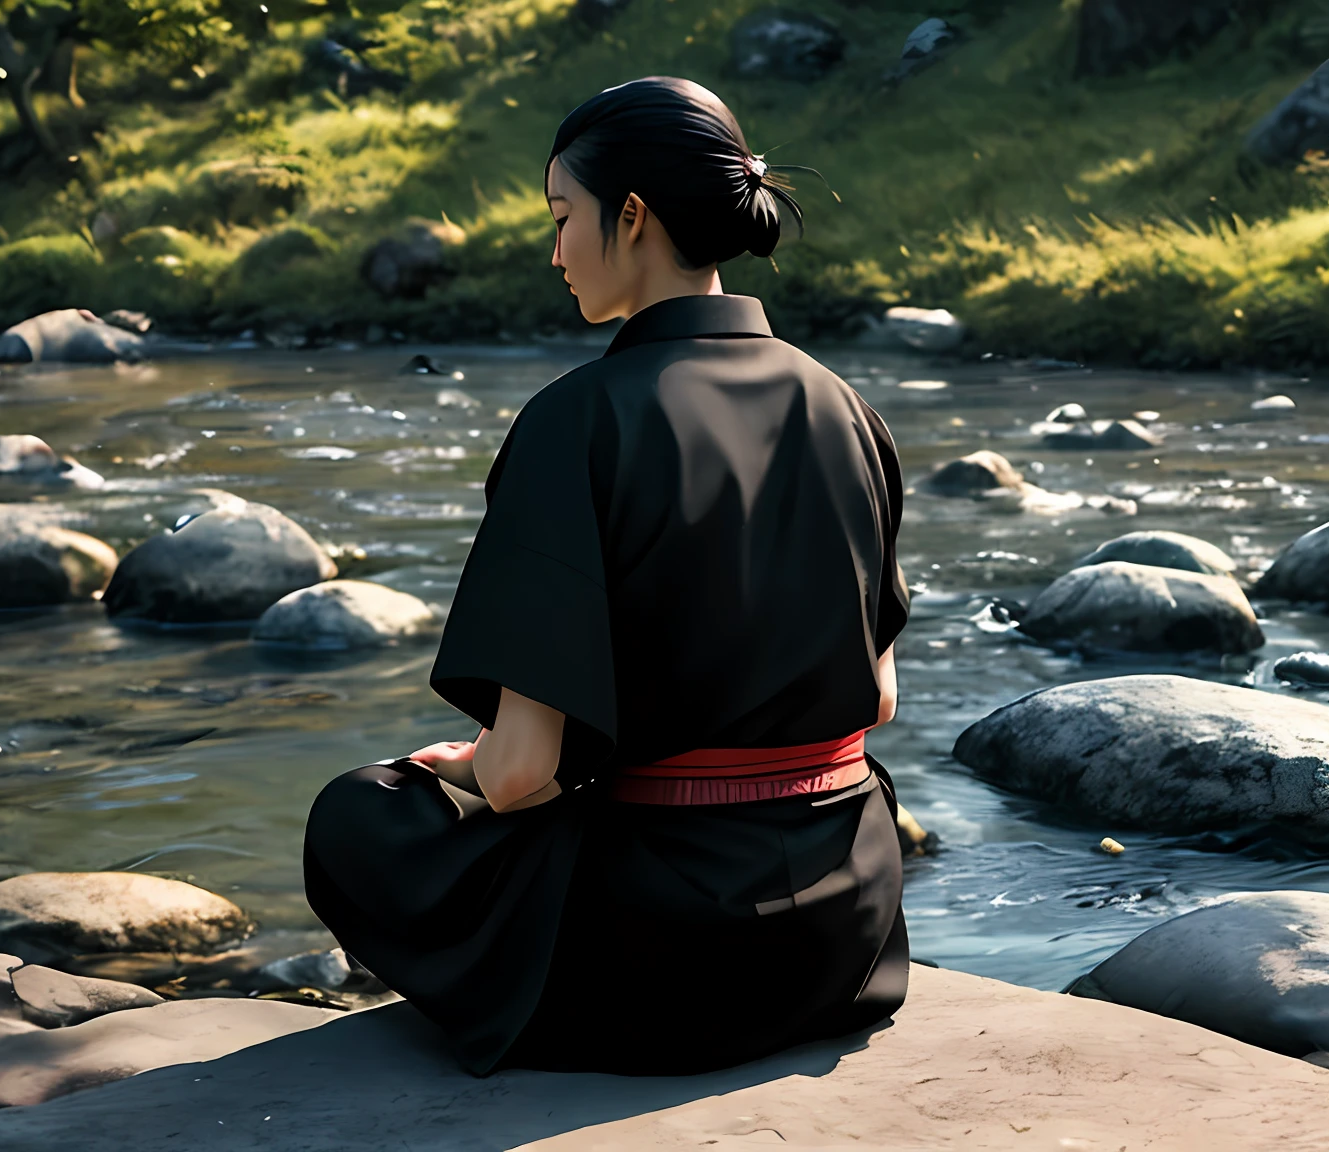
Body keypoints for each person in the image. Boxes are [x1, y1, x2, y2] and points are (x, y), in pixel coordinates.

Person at [302, 76, 911, 1077]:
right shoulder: (844, 407)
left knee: (359, 817)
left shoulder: (574, 422)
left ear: (630, 217)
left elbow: (523, 772)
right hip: (843, 936)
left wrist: (459, 773)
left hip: (677, 960)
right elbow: (876, 700)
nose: (553, 252)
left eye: (561, 218)